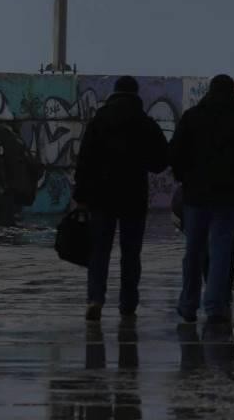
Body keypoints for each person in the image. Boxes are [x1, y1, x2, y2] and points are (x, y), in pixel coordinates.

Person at [73, 75, 169, 321]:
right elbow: (160, 160)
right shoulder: (144, 122)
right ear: (136, 95)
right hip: (133, 196)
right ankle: (128, 303)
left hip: (101, 196)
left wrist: (80, 197)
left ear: (114, 93)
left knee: (99, 251)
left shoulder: (99, 121)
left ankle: (95, 298)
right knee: (130, 253)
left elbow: (84, 161)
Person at [170, 74, 234, 324]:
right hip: (228, 197)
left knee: (194, 251)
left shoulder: (192, 117)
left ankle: (188, 304)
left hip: (195, 196)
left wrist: (184, 179)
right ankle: (215, 305)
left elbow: (175, 152)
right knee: (221, 250)